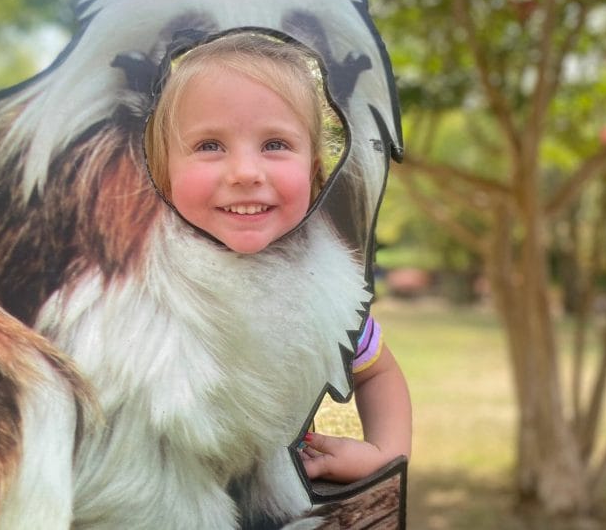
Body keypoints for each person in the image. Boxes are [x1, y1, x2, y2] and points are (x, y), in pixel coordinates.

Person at [145, 31, 412, 484]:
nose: (247, 172)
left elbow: (378, 371)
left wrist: (386, 453)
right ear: (162, 168)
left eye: (275, 145)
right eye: (209, 145)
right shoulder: (131, 280)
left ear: (314, 171)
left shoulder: (320, 289)